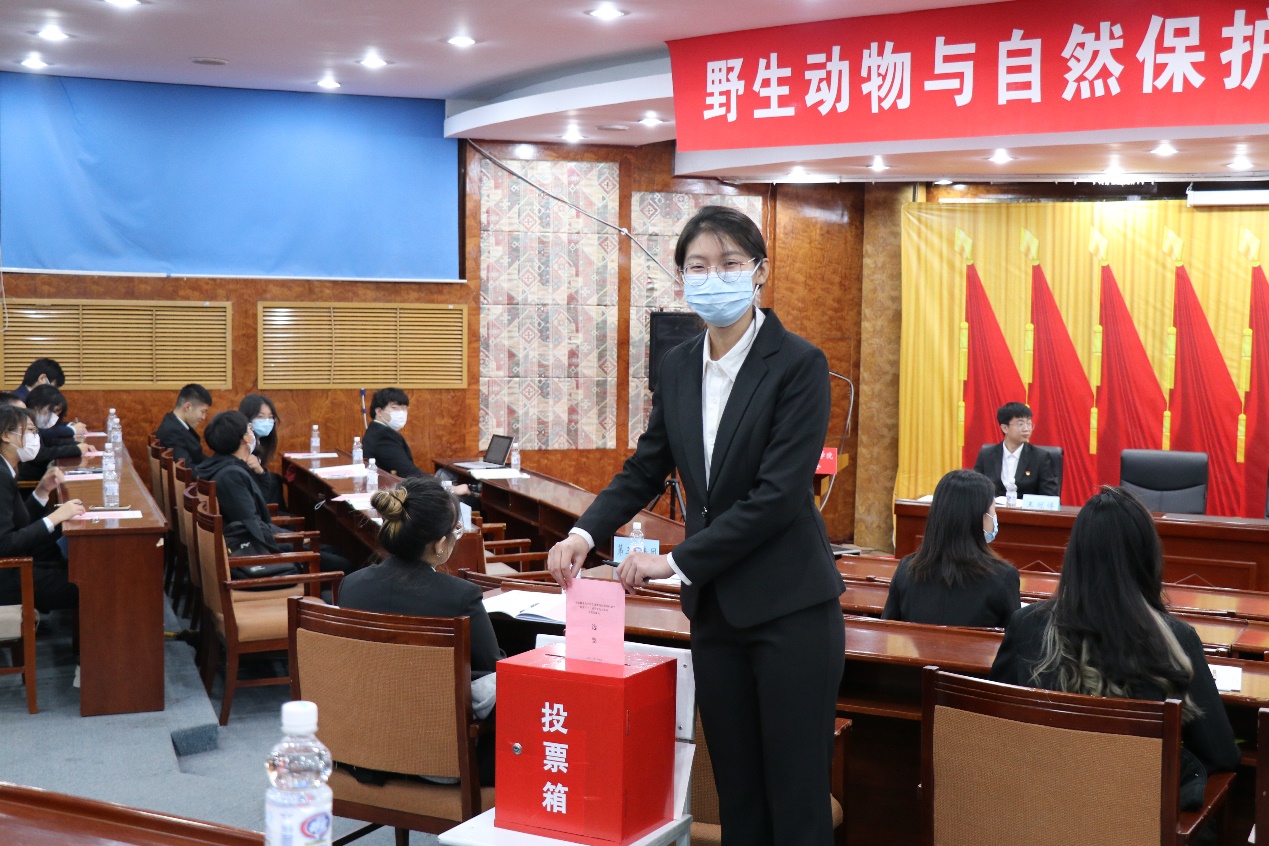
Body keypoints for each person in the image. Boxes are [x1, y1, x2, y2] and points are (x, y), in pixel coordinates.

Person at [547, 205, 844, 846]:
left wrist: (674, 561)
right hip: (715, 613)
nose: (715, 277)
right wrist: (583, 534)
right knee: (737, 793)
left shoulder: (799, 364)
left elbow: (777, 497)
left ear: (759, 271)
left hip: (791, 610)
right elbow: (645, 466)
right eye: (699, 266)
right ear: (682, 277)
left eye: (730, 263)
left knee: (795, 799)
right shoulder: (680, 364)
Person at [989, 486, 1239, 816]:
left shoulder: (1026, 626)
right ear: (1147, 557)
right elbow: (1222, 755)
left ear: (1074, 554)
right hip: (1133, 822)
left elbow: (992, 727)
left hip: (1038, 816)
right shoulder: (1177, 639)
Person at [339, 476, 502, 785]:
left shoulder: (351, 586)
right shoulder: (460, 596)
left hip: (367, 747)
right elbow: (494, 670)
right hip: (439, 758)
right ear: (439, 544)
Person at [196, 410, 350, 573]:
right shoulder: (231, 476)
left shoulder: (222, 466)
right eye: (250, 429)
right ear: (245, 439)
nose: (253, 433)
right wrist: (294, 538)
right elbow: (252, 526)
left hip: (257, 543)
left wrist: (260, 474)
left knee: (334, 551)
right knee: (343, 564)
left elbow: (258, 505)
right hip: (256, 553)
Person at [881, 469, 1019, 627]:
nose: (994, 517)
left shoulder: (906, 569)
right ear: (980, 518)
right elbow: (1015, 637)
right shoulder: (1003, 577)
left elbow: (887, 630)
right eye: (993, 509)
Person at [0, 405, 86, 612]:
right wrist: (55, 518)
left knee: (75, 567)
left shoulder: (7, 468)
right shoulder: (1, 476)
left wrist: (42, 491)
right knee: (84, 583)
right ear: (6, 436)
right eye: (30, 431)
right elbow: (4, 545)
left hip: (15, 562)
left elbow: (18, 522)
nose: (35, 437)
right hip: (7, 573)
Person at [362, 387, 470, 497]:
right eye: (395, 408)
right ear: (379, 411)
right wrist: (449, 488)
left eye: (404, 408)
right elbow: (408, 472)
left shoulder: (376, 430)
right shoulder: (383, 435)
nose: (401, 412)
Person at [972, 401, 1059, 498]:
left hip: (1025, 508)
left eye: (1029, 423)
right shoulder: (987, 455)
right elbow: (975, 489)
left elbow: (1050, 496)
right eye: (1020, 424)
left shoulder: (1040, 457)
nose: (1026, 429)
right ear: (1005, 428)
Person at [18, 385, 89, 482]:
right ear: (37, 406)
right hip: (31, 481)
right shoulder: (24, 425)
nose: (55, 416)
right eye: (54, 411)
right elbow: (39, 454)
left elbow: (50, 441)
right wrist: (75, 449)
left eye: (58, 413)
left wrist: (77, 445)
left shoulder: (35, 424)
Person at [238, 393, 285, 507]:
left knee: (275, 479)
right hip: (250, 502)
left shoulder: (260, 442)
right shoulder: (244, 445)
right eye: (260, 417)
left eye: (270, 417)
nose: (267, 421)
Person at [155, 383, 212, 467]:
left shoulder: (172, 422)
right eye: (202, 412)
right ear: (187, 407)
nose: (204, 417)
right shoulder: (172, 433)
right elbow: (186, 469)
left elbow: (198, 457)